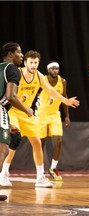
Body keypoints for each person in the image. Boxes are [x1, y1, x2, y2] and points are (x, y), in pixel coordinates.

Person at [0, 50, 79, 188]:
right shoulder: (17, 73)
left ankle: (40, 177)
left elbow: (50, 90)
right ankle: (4, 173)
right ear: (25, 63)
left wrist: (65, 101)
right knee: (15, 139)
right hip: (12, 111)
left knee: (36, 142)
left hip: (27, 113)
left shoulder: (39, 76)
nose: (33, 65)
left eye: (36, 63)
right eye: (31, 62)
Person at [0, 42, 34, 201]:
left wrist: (9, 123)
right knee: (3, 150)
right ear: (10, 54)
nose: (22, 55)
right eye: (19, 52)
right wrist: (26, 110)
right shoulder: (13, 69)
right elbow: (11, 96)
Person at [37, 61, 70, 181]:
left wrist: (67, 116)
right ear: (48, 70)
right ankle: (40, 171)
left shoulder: (63, 81)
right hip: (41, 114)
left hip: (55, 114)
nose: (55, 71)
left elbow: (65, 97)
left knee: (58, 141)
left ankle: (53, 168)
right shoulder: (42, 80)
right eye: (53, 69)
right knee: (40, 143)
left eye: (57, 69)